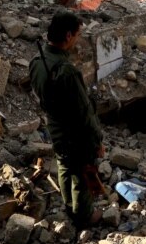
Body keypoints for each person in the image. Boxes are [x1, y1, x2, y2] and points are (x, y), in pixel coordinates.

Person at [29, 12, 104, 228]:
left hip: (55, 127)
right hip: (75, 132)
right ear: (69, 35)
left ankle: (69, 206)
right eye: (78, 34)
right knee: (82, 172)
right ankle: (84, 217)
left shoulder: (37, 62)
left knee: (64, 166)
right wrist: (97, 141)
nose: (79, 39)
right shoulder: (66, 71)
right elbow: (84, 112)